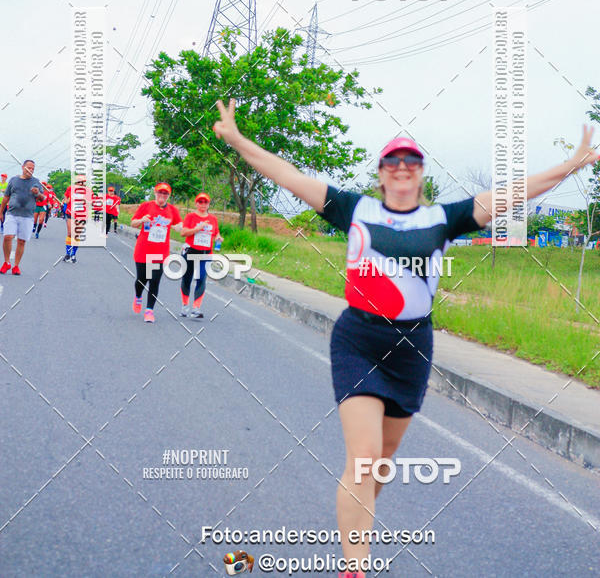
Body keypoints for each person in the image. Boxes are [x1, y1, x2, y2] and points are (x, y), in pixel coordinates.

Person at [212, 100, 599, 578]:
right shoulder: (354, 208)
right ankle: (355, 567)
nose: (401, 168)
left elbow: (514, 194)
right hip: (358, 341)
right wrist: (234, 138)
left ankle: (355, 523)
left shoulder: (443, 218)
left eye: (410, 162)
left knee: (379, 467)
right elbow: (285, 173)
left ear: (420, 174)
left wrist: (571, 165)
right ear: (381, 174)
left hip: (413, 350)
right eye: (392, 161)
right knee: (363, 459)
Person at [130, 183, 183, 323]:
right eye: (160, 193)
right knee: (141, 280)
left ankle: (149, 310)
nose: (162, 196)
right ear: (155, 193)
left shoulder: (172, 210)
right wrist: (142, 220)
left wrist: (182, 228)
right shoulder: (145, 206)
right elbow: (133, 223)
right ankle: (138, 296)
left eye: (165, 194)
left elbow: (179, 226)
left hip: (160, 252)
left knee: (154, 281)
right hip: (143, 250)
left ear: (168, 196)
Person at [179, 192, 223, 318]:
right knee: (187, 279)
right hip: (190, 252)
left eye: (206, 202)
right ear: (196, 203)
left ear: (209, 204)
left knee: (201, 278)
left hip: (206, 253)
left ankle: (196, 308)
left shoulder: (213, 219)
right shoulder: (190, 216)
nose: (203, 204)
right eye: (200, 202)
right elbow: (183, 232)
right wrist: (197, 228)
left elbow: (215, 233)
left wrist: (218, 238)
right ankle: (184, 305)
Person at [0, 160, 46, 275]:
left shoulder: (36, 182)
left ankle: (16, 266)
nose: (30, 170)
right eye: (29, 168)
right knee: (7, 237)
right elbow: (6, 197)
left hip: (27, 216)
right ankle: (6, 262)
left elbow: (42, 198)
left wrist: (37, 193)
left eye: (32, 169)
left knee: (21, 241)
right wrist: (1, 212)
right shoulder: (14, 180)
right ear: (23, 167)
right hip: (12, 214)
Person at [63, 176, 90, 263]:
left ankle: (73, 254)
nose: (81, 184)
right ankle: (67, 254)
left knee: (77, 235)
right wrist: (66, 200)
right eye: (79, 182)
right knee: (70, 233)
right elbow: (66, 199)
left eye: (83, 182)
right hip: (70, 213)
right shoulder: (70, 189)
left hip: (81, 215)